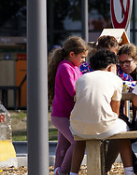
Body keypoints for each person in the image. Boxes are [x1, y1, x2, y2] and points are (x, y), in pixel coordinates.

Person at [67, 49, 136, 175]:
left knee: (80, 139)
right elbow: (115, 112)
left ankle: (73, 172)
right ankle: (129, 171)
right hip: (104, 126)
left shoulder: (82, 79)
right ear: (111, 67)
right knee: (125, 131)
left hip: (77, 125)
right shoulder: (115, 80)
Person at [48, 36, 88, 175]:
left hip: (68, 114)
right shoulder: (65, 67)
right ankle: (63, 171)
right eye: (82, 57)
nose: (84, 61)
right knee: (77, 142)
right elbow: (73, 90)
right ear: (72, 54)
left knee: (63, 146)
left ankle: (58, 171)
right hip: (61, 115)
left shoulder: (75, 67)